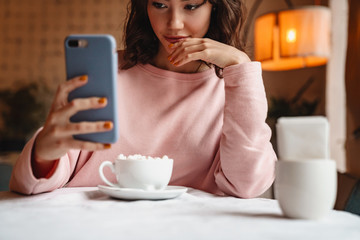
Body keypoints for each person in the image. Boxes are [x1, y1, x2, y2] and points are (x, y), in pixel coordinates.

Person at [9, 0, 277, 198]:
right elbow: (28, 184)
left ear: (216, 8)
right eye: (159, 4)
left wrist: (241, 65)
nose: (173, 23)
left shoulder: (233, 87)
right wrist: (43, 153)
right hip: (90, 226)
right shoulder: (108, 70)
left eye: (191, 6)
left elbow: (246, 185)